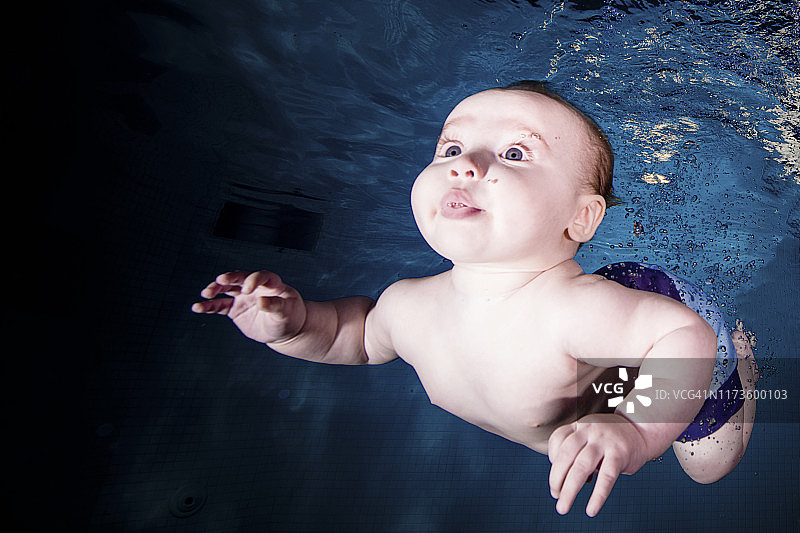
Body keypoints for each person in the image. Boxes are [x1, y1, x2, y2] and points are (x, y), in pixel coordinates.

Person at [191, 81, 758, 517]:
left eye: (514, 154)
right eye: (453, 146)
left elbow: (685, 336)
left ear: (581, 217)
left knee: (708, 468)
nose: (466, 163)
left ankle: (747, 366)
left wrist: (636, 431)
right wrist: (293, 327)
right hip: (608, 339)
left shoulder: (569, 311)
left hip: (651, 356)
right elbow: (354, 337)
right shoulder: (407, 307)